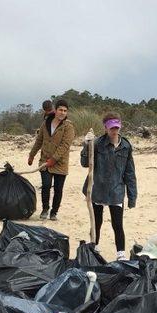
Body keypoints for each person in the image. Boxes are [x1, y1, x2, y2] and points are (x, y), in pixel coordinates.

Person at [81, 113, 137, 260]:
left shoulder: (126, 146)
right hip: (97, 188)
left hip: (116, 190)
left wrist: (132, 197)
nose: (114, 131)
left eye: (117, 128)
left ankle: (121, 254)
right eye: (111, 128)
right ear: (105, 128)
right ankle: (94, 247)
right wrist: (86, 146)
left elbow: (130, 173)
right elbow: (85, 163)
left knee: (117, 224)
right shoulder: (97, 143)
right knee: (96, 222)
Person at [28, 98, 75, 221]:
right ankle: (45, 209)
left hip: (60, 163)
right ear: (55, 109)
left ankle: (54, 212)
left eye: (65, 111)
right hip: (44, 160)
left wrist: (54, 159)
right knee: (46, 185)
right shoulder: (46, 123)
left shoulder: (68, 127)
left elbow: (65, 145)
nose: (62, 112)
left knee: (58, 189)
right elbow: (39, 140)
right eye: (60, 110)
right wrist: (32, 155)